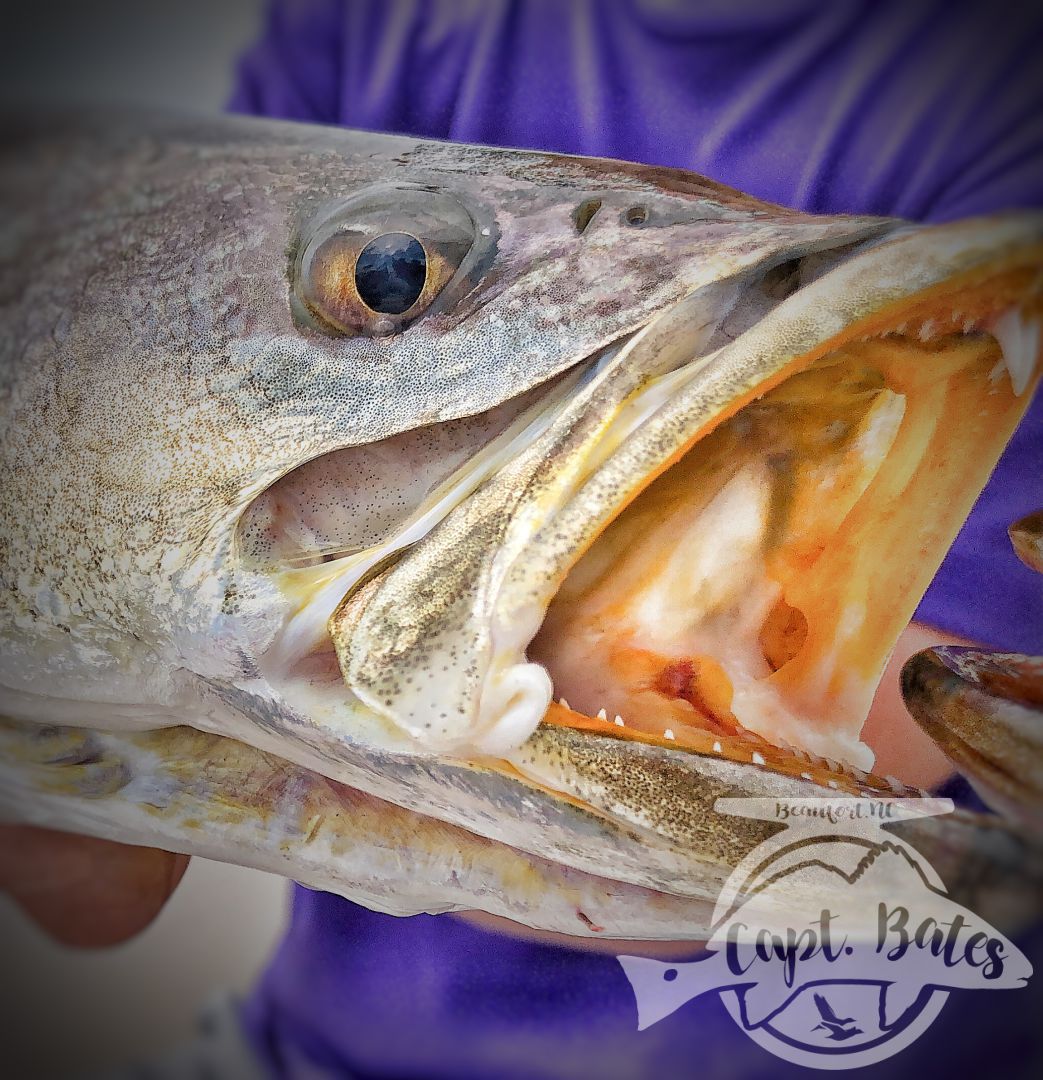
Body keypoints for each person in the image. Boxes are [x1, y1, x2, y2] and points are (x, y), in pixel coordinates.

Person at [3, 2, 1042, 1076]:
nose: (386, 279)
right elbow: (99, 889)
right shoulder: (373, 20)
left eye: (391, 274)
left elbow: (812, 838)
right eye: (383, 278)